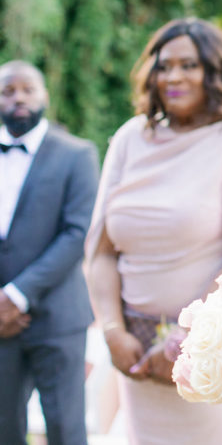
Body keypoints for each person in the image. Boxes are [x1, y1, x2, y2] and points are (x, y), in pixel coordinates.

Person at [85, 18, 222, 445]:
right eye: (164, 66)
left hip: (213, 360)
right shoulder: (129, 139)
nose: (173, 76)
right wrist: (112, 331)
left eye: (189, 65)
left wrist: (182, 340)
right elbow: (101, 251)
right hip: (137, 362)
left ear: (214, 71)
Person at [0, 60, 99, 445]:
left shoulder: (77, 154)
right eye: (8, 91)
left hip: (57, 317)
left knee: (64, 428)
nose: (18, 97)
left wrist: (16, 295)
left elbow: (77, 235)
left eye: (28, 89)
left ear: (45, 96)